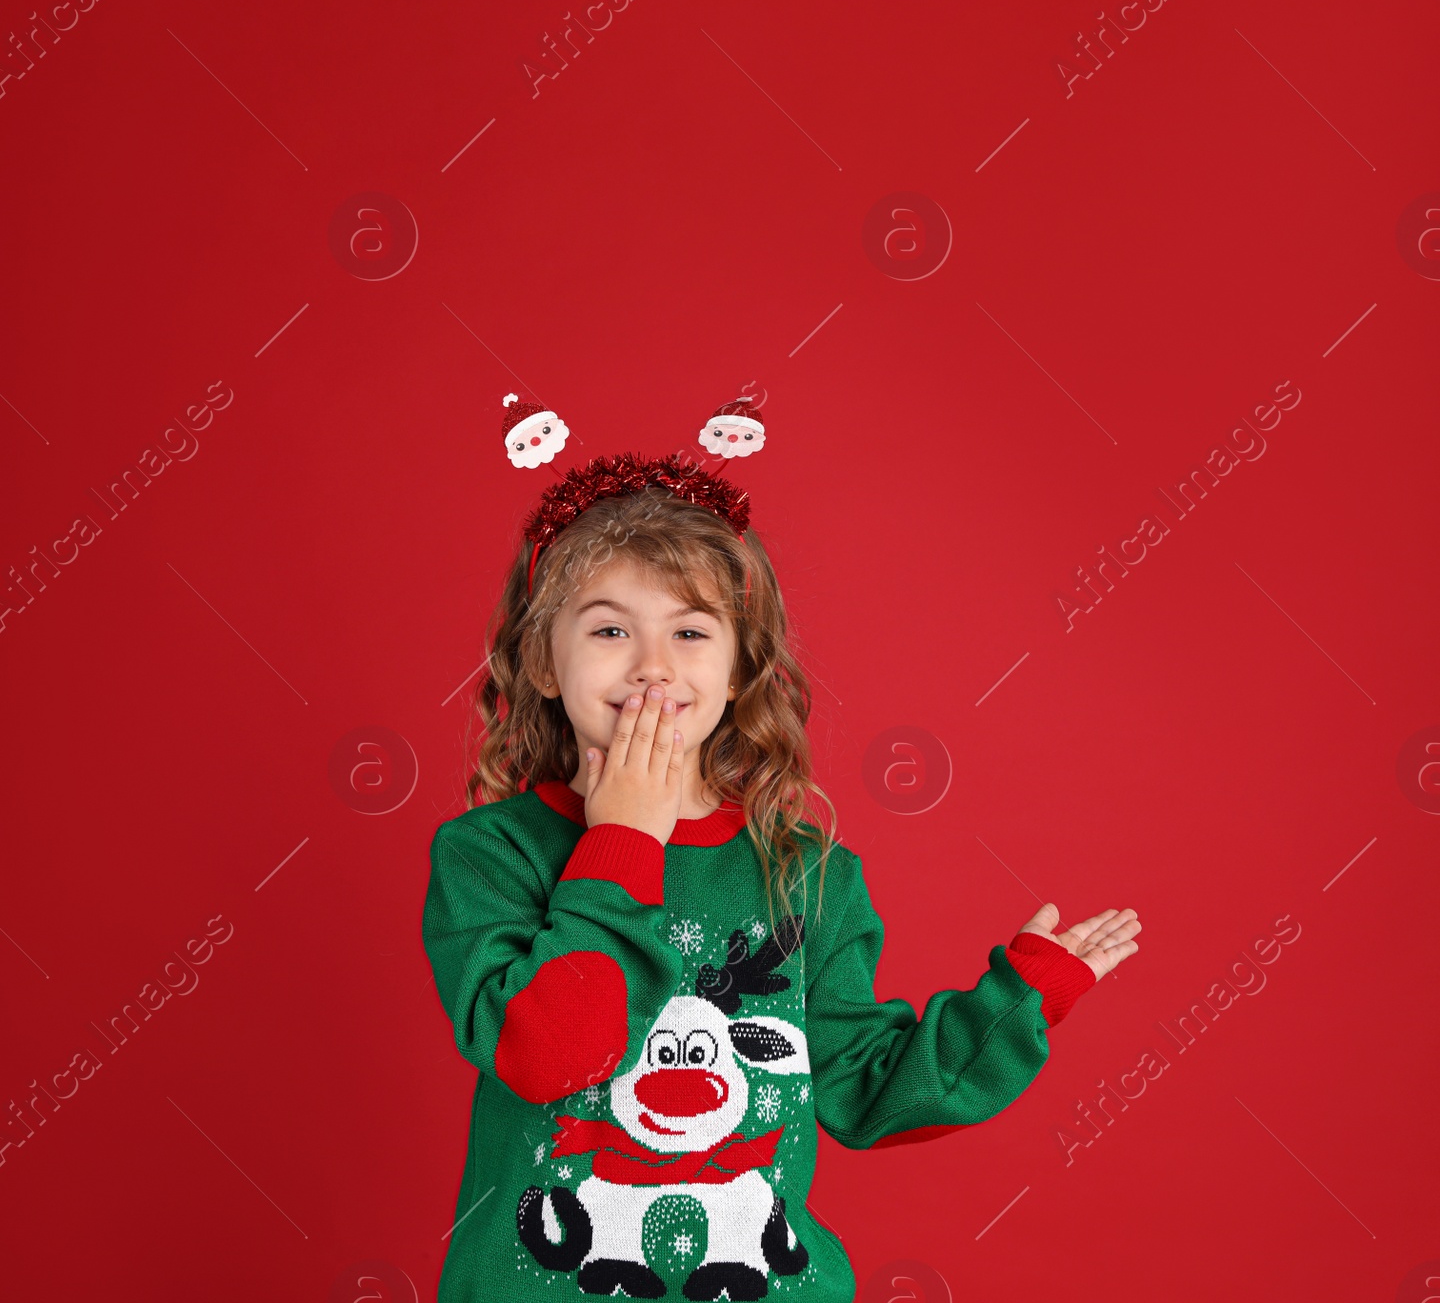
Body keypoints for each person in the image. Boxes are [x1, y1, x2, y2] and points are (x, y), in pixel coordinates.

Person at [422, 453, 1140, 1302]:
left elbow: (869, 1093)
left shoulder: (809, 876)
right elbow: (551, 1056)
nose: (653, 665)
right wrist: (621, 838)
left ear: (736, 671)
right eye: (610, 630)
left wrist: (1018, 1002)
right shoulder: (490, 854)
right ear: (544, 662)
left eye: (690, 632)